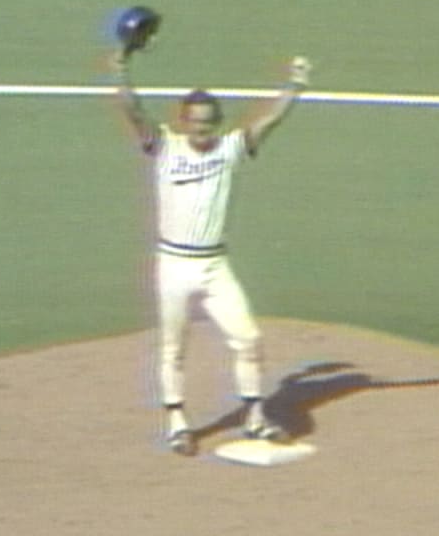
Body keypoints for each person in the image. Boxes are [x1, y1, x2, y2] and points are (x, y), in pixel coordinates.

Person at [109, 47, 311, 456]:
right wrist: (120, 72)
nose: (201, 130)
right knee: (173, 346)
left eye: (207, 123)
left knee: (248, 338)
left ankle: (255, 418)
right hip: (174, 264)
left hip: (214, 265)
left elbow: (268, 121)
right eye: (194, 122)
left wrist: (295, 85)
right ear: (183, 122)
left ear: (216, 123)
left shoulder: (229, 149)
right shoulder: (165, 146)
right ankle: (178, 423)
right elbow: (134, 113)